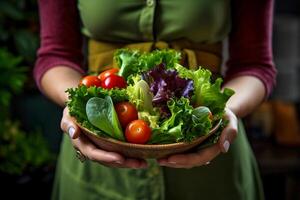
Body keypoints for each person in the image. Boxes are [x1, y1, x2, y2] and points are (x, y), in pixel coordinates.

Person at [34, 0, 276, 199]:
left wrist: (222, 112)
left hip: (207, 150)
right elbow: (55, 56)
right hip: (98, 144)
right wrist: (80, 108)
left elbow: (255, 65)